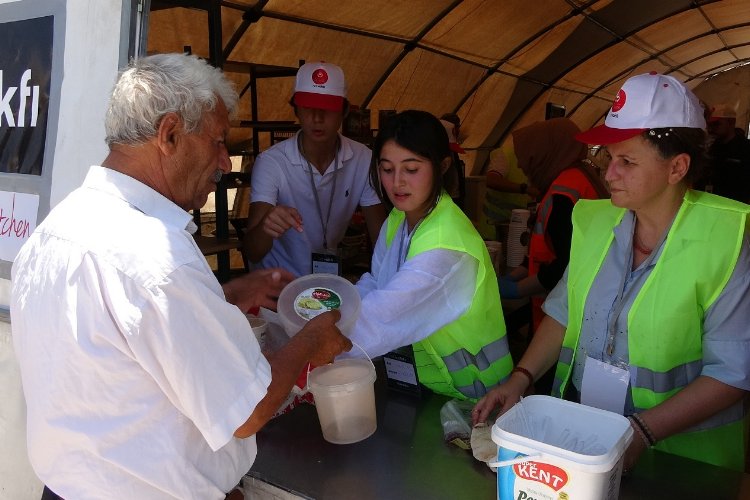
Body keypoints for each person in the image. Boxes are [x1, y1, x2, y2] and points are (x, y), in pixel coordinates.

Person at [10, 53, 351, 500]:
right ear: (169, 134)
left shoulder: (55, 231)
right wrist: (311, 341)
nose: (225, 162)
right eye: (217, 142)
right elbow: (246, 410)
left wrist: (222, 296)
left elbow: (124, 351)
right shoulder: (157, 258)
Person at [472, 72, 750, 472]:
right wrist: (520, 377)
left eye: (626, 161)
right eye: (607, 157)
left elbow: (731, 372)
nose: (608, 173)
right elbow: (564, 313)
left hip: (683, 459)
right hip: (591, 435)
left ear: (677, 168)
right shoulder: (597, 222)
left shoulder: (726, 240)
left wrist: (641, 431)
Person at [344, 110, 513, 401]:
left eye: (411, 169)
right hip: (428, 385)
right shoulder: (399, 217)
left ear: (442, 166)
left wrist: (313, 344)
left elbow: (381, 320)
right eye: (386, 169)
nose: (397, 182)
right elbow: (377, 281)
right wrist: (335, 310)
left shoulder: (446, 248)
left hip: (474, 395)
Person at [243, 61, 386, 277]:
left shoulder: (363, 159)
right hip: (275, 285)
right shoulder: (272, 162)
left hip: (325, 284)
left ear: (344, 111)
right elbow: (253, 252)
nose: (317, 118)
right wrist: (266, 226)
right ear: (296, 110)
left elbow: (381, 238)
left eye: (327, 108)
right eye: (308, 107)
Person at [497, 118, 608, 331]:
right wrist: (511, 277)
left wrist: (517, 289)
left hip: (561, 318)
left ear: (544, 153)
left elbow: (567, 263)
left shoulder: (563, 196)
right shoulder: (579, 178)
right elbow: (547, 250)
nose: (520, 165)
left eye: (526, 157)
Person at [704, 103, 750, 203]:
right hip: (710, 204)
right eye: (709, 125)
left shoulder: (746, 149)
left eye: (716, 124)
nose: (711, 129)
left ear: (731, 122)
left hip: (736, 207)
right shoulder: (710, 148)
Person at [440, 114, 467, 209]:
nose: (458, 130)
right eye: (457, 126)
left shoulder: (452, 152)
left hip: (455, 197)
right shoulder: (439, 153)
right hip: (446, 199)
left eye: (458, 126)